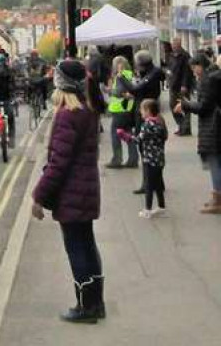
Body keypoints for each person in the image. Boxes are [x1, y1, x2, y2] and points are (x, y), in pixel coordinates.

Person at [31, 60, 105, 324]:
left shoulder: (67, 115)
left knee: (77, 250)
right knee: (87, 246)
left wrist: (39, 196)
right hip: (86, 188)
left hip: (72, 192)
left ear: (61, 84)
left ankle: (85, 308)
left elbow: (58, 163)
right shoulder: (87, 110)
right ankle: (96, 304)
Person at [177, 53, 221, 214]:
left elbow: (204, 106)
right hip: (215, 124)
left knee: (214, 162)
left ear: (201, 65)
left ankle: (218, 198)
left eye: (195, 67)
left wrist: (186, 105)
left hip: (212, 125)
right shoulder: (213, 78)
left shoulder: (207, 80)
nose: (194, 71)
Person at [120, 50, 164, 195]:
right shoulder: (150, 73)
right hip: (146, 112)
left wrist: (122, 78)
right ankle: (156, 182)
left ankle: (148, 183)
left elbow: (136, 88)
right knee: (151, 150)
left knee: (146, 149)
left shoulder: (153, 73)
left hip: (148, 114)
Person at [136, 99, 168, 219]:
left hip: (149, 159)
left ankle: (147, 209)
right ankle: (161, 206)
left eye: (142, 110)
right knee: (158, 183)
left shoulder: (147, 125)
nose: (140, 112)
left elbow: (139, 139)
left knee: (149, 185)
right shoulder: (160, 123)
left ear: (148, 111)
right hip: (159, 159)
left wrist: (125, 136)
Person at [106, 56, 138, 169]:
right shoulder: (130, 74)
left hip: (119, 109)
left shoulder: (120, 76)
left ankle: (117, 159)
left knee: (115, 135)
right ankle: (133, 159)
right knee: (128, 134)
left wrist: (109, 91)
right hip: (127, 109)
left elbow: (119, 92)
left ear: (119, 65)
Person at [168, 36, 194, 137]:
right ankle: (181, 125)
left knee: (185, 107)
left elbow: (187, 72)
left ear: (179, 45)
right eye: (173, 45)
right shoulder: (171, 55)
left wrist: (184, 84)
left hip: (182, 86)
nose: (174, 46)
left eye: (176, 45)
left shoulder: (185, 56)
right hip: (173, 85)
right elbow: (170, 68)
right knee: (173, 106)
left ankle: (186, 129)